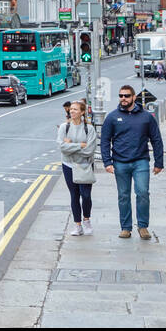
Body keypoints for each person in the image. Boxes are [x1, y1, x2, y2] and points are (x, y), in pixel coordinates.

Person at [99, 84, 164, 239]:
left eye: (127, 96)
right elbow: (105, 141)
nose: (123, 98)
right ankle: (126, 228)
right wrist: (107, 162)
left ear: (134, 97)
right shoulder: (112, 117)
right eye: (121, 96)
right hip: (120, 162)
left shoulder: (146, 117)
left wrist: (159, 162)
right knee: (123, 195)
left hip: (140, 161)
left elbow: (156, 139)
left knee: (142, 193)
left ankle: (143, 226)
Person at [58, 100, 98, 236]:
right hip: (68, 165)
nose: (72, 111)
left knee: (86, 195)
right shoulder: (64, 127)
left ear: (82, 112)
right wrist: (80, 145)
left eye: (75, 109)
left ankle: (87, 220)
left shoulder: (89, 128)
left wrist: (71, 147)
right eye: (71, 109)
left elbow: (90, 150)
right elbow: (62, 148)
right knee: (74, 195)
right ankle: (78, 225)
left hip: (85, 165)